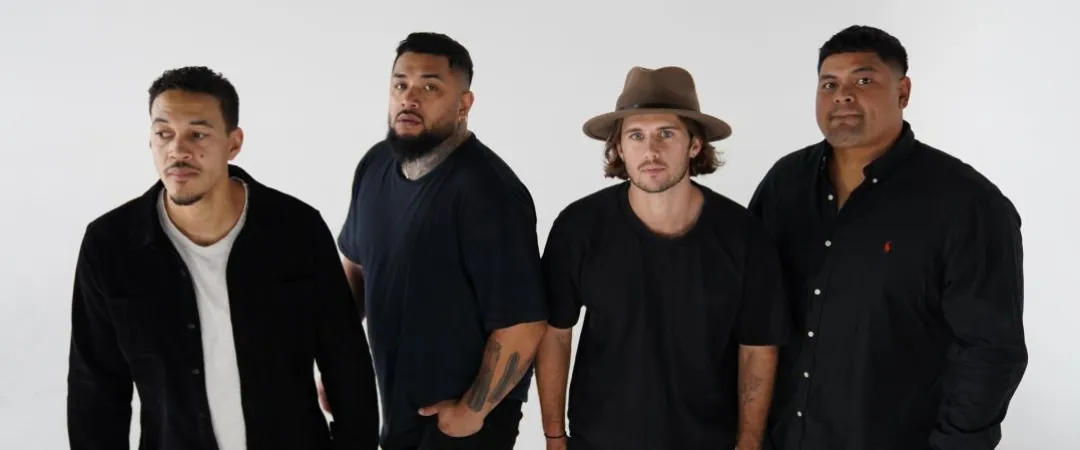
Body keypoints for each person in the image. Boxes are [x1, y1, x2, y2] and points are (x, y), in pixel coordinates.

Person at [66, 66, 380, 450]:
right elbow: (95, 389)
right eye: (164, 134)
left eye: (197, 134)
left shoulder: (296, 229)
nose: (178, 150)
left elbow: (346, 362)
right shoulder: (110, 245)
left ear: (234, 143)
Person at [748, 25, 1028, 450]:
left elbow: (990, 350)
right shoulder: (785, 184)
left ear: (903, 92)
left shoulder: (966, 203)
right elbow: (749, 306)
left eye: (864, 80)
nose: (843, 96)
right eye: (829, 84)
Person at [535, 66, 793, 450]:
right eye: (636, 136)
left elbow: (757, 348)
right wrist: (554, 436)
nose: (651, 151)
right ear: (619, 148)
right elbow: (555, 334)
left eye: (666, 134)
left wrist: (749, 442)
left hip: (709, 440)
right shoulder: (579, 227)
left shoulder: (743, 235)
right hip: (600, 439)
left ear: (694, 145)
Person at [331, 32, 549, 450]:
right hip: (396, 410)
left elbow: (523, 322)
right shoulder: (375, 165)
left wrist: (473, 411)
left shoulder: (488, 191)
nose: (409, 98)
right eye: (400, 84)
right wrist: (338, 365)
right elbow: (356, 268)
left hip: (460, 426)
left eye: (430, 87)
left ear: (464, 104)